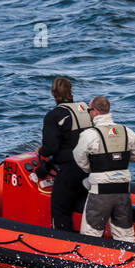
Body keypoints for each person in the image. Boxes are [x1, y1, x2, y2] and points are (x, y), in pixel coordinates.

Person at [73, 95, 135, 243]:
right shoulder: (126, 131)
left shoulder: (89, 134)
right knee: (125, 235)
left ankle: (89, 264)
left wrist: (92, 169)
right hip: (123, 191)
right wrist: (122, 157)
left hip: (100, 192)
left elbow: (79, 158)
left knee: (91, 234)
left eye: (88, 110)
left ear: (94, 112)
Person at [36, 77, 93, 230]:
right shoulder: (86, 109)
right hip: (92, 167)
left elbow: (51, 148)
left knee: (60, 209)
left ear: (53, 93)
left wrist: (41, 151)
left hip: (71, 170)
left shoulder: (53, 116)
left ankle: (64, 247)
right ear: (70, 91)